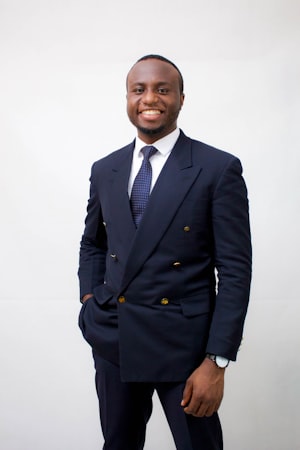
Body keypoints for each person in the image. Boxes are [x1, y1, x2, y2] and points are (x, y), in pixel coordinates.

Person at [78, 54, 252, 450]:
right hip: (115, 337)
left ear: (181, 98)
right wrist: (90, 301)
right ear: (127, 97)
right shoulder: (106, 169)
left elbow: (236, 270)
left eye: (162, 89)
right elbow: (93, 243)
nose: (149, 98)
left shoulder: (216, 168)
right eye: (139, 90)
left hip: (186, 349)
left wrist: (217, 361)